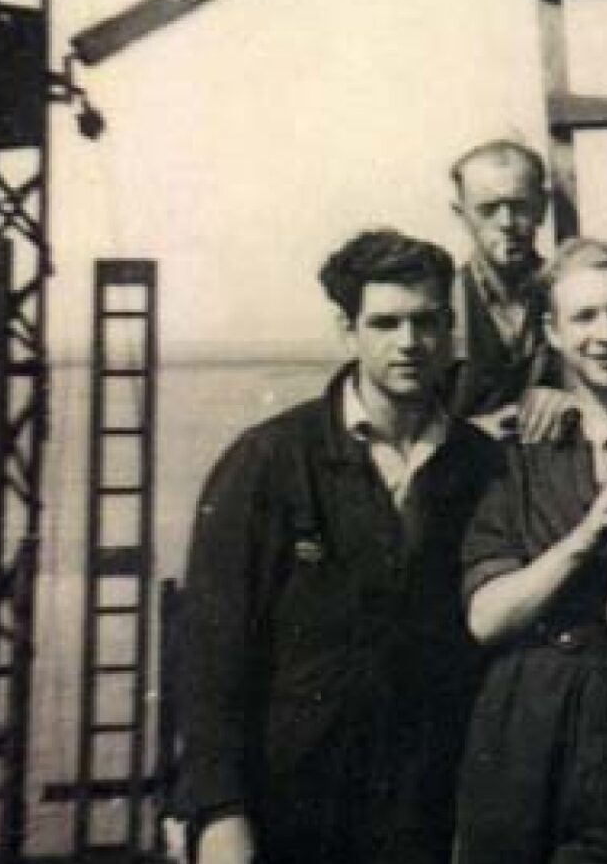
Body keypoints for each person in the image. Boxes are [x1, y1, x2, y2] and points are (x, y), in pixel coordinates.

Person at [177, 229, 497, 864]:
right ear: (346, 330)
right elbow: (210, 648)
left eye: (426, 322)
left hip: (432, 804)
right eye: (384, 323)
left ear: (449, 329)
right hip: (294, 801)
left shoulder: (483, 465)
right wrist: (216, 810)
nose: (408, 344)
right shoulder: (269, 460)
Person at [456, 239, 607, 863]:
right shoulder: (514, 453)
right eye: (584, 317)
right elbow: (486, 616)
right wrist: (586, 537)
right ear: (551, 331)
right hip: (525, 717)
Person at [445, 138, 570, 440]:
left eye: (519, 206)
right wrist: (469, 432)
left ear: (542, 208)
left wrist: (573, 399)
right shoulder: (438, 303)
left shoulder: (574, 295)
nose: (507, 223)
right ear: (461, 215)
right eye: (488, 209)